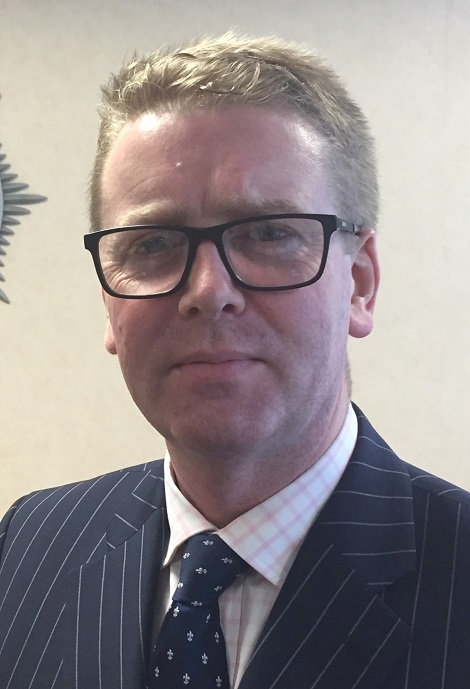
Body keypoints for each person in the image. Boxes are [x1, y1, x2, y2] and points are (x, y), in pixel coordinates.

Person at [0, 32, 469, 689]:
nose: (208, 291)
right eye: (152, 244)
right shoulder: (28, 546)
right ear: (108, 303)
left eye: (269, 233)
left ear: (359, 284)